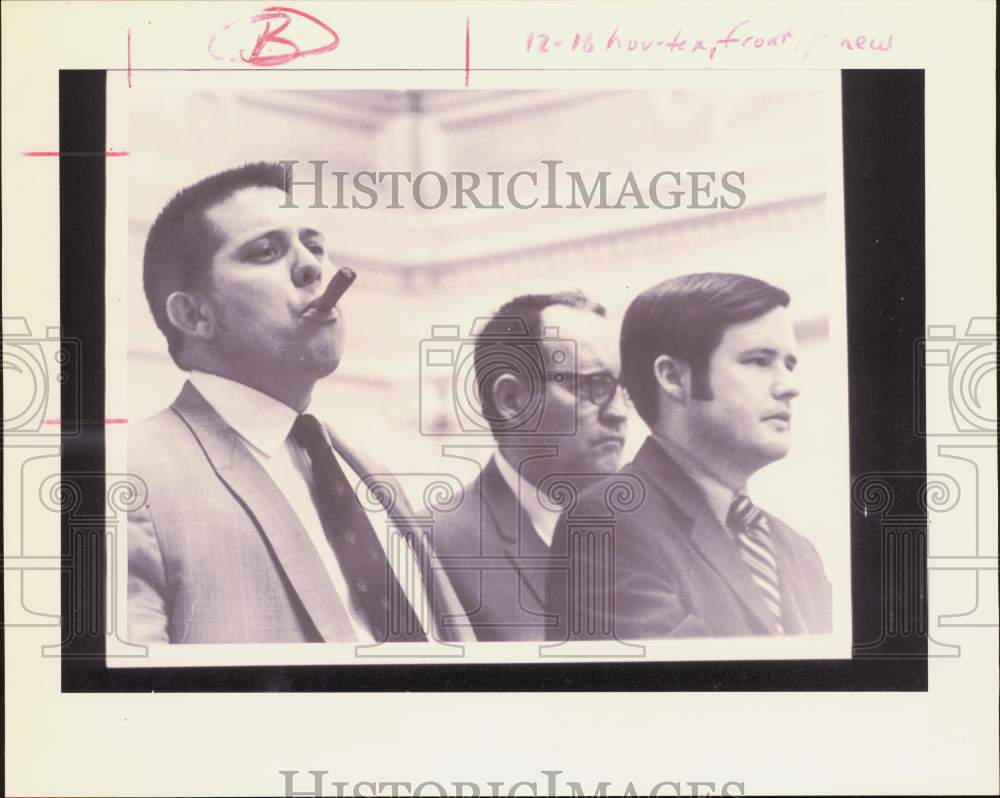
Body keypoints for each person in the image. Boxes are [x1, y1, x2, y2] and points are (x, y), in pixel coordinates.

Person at [127, 162, 470, 644]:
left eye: (315, 246)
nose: (313, 267)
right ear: (193, 314)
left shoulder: (368, 475)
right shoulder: (128, 477)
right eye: (266, 251)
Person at [546, 272, 833, 640]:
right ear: (673, 377)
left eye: (789, 365)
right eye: (759, 361)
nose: (789, 387)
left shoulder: (798, 551)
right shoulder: (605, 525)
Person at [434, 292, 629, 640]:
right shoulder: (435, 544)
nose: (620, 413)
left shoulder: (648, 534)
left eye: (623, 389)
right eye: (594, 386)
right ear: (511, 400)